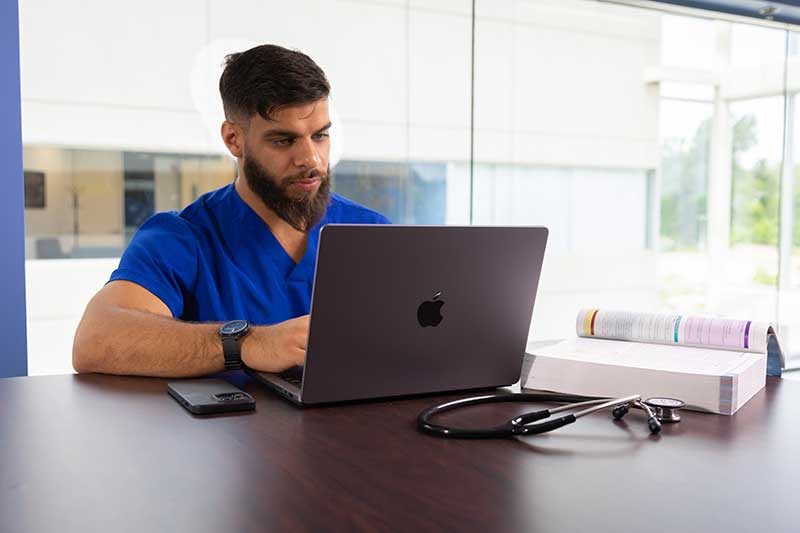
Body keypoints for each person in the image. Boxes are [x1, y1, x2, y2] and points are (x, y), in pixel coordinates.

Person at [72, 44, 389, 378]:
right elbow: (95, 340)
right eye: (283, 140)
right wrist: (248, 344)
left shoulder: (372, 231)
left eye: (320, 136)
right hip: (229, 430)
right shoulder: (183, 238)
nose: (310, 159)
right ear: (234, 139)